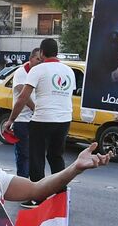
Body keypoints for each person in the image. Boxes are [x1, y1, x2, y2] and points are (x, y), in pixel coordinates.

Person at [7, 37, 74, 185]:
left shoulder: (37, 70)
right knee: (56, 157)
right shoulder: (69, 71)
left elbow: (23, 97)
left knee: (36, 158)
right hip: (64, 120)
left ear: (42, 52)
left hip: (42, 119)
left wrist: (11, 119)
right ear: (57, 52)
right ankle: (60, 194)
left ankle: (38, 197)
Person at [7, 48, 43, 177]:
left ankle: (33, 186)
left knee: (35, 156)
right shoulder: (21, 72)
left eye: (42, 60)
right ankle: (23, 186)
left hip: (36, 120)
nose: (40, 62)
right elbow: (24, 96)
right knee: (24, 156)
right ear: (31, 58)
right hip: (22, 120)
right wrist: (36, 109)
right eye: (38, 59)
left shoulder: (39, 73)